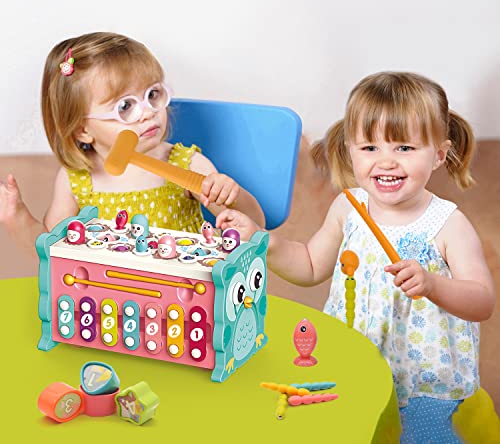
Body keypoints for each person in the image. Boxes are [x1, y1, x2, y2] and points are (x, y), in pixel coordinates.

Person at [216, 72, 495, 442]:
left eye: (405, 148)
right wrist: (262, 241)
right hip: (352, 363)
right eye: (370, 148)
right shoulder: (348, 207)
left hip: (423, 385)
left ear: (439, 154)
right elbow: (310, 265)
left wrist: (433, 285)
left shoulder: (448, 224)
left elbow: (482, 301)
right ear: (351, 150)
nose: (386, 162)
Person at [0, 32, 264, 256]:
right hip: (108, 295)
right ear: (82, 130)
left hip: (180, 292)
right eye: (125, 106)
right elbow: (53, 253)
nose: (148, 112)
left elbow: (253, 227)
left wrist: (232, 195)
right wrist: (19, 218)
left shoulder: (187, 164)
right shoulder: (77, 180)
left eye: (153, 94)